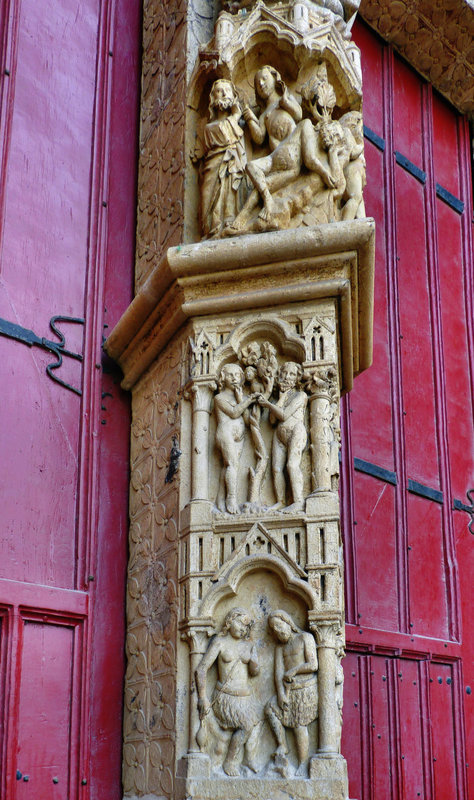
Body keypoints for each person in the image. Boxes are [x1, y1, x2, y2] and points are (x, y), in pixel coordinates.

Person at [195, 608, 261, 776]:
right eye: (240, 623)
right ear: (230, 621)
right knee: (247, 725)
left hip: (244, 699)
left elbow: (254, 672)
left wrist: (254, 660)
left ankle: (249, 759)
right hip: (226, 698)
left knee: (255, 723)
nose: (242, 629)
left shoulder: (248, 645)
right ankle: (230, 762)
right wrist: (202, 697)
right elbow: (201, 669)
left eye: (246, 627)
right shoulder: (220, 642)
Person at [265, 610, 318, 775]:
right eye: (274, 630)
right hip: (289, 691)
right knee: (270, 709)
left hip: (306, 690)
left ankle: (303, 762)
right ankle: (283, 744)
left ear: (287, 622)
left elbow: (313, 664)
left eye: (279, 626)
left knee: (298, 725)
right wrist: (280, 694)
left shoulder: (305, 638)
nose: (278, 631)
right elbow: (278, 673)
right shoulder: (280, 648)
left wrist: (294, 671)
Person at [197, 79, 247, 237]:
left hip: (231, 163)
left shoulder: (237, 124)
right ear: (213, 97)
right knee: (207, 203)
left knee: (230, 191)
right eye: (219, 90)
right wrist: (236, 115)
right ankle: (211, 230)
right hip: (212, 165)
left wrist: (238, 115)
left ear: (234, 96)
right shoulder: (208, 127)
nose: (224, 94)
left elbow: (233, 137)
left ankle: (228, 225)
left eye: (227, 90)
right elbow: (223, 132)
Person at [257, 362, 308, 511]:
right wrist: (280, 397)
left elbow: (284, 415)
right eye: (285, 373)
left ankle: (298, 501)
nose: (287, 377)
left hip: (296, 432)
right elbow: (272, 420)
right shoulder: (282, 397)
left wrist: (268, 404)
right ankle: (281, 501)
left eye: (292, 374)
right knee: (276, 469)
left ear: (297, 378)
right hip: (279, 435)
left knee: (292, 465)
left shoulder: (301, 395)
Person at [215, 363, 256, 513]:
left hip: (239, 436)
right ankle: (231, 499)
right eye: (230, 375)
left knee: (228, 466)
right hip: (225, 433)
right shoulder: (219, 397)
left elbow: (246, 419)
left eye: (237, 375)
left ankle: (220, 500)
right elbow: (233, 413)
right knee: (233, 465)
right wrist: (246, 401)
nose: (234, 378)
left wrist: (241, 399)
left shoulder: (240, 397)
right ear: (223, 377)